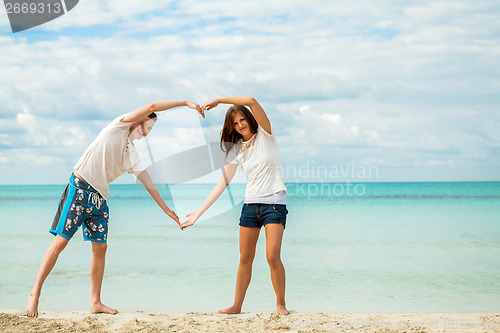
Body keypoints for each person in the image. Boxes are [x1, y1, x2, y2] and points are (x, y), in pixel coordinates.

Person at [26, 100, 203, 318]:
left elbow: (147, 180)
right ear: (139, 119)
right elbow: (152, 106)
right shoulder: (117, 126)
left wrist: (166, 209)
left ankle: (95, 302)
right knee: (61, 242)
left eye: (150, 130)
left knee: (100, 248)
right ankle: (35, 295)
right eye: (146, 126)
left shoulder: (132, 153)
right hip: (80, 188)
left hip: (99, 199)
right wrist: (185, 103)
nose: (146, 132)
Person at [182, 96, 289, 315]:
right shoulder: (237, 149)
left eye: (242, 119)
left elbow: (251, 100)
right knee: (244, 259)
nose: (240, 125)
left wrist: (219, 100)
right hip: (250, 206)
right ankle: (237, 306)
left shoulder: (266, 135)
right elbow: (224, 182)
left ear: (249, 118)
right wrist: (199, 213)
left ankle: (280, 305)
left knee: (272, 256)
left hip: (274, 205)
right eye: (235, 123)